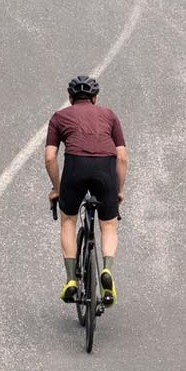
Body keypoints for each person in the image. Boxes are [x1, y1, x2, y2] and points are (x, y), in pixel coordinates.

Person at [45, 74, 127, 306]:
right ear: (95, 98)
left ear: (70, 98)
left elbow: (50, 156)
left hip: (75, 168)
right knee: (108, 224)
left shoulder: (59, 117)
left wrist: (57, 188)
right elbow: (121, 157)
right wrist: (118, 189)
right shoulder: (109, 116)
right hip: (105, 170)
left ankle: (71, 279)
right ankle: (107, 270)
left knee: (69, 221)